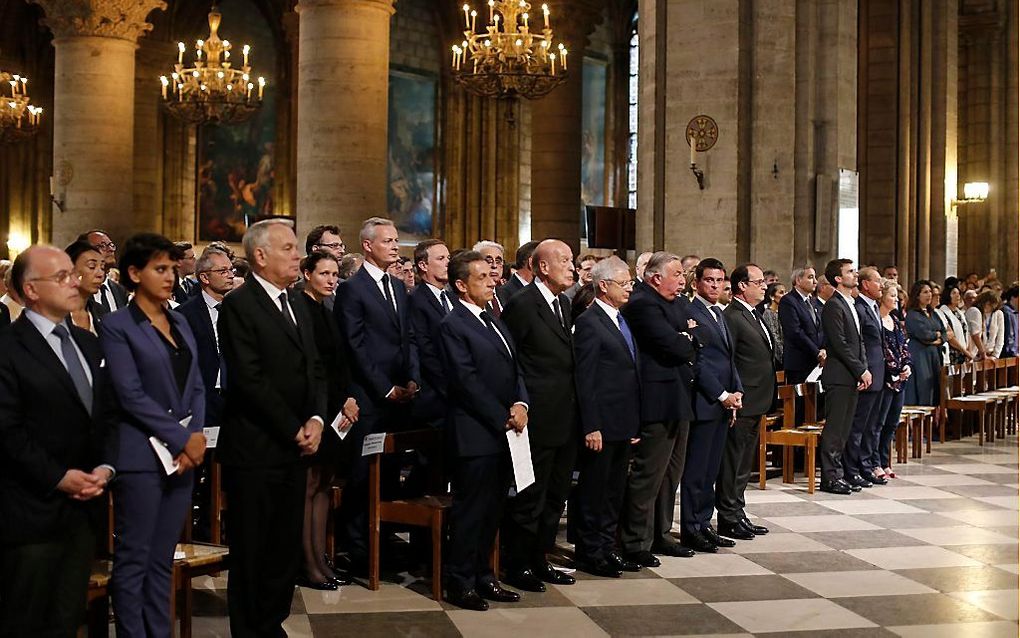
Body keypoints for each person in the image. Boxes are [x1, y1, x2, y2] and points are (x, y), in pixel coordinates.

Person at [0, 245, 117, 637]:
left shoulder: (87, 343)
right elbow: (7, 431)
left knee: (67, 621)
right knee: (26, 622)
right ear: (31, 290)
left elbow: (106, 417)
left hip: (84, 512)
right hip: (30, 510)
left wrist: (106, 466)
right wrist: (58, 477)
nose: (75, 282)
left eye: (73, 273)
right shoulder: (8, 348)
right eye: (62, 276)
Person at [217, 219, 326, 637]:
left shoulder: (298, 301)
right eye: (289, 248)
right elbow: (250, 378)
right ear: (260, 256)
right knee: (254, 546)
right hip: (258, 445)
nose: (298, 255)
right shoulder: (240, 305)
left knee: (283, 545)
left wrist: (316, 419)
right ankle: (249, 628)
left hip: (298, 445)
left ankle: (272, 621)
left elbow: (314, 367)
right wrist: (293, 427)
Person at [99, 233, 207, 638]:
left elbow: (196, 383)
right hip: (141, 455)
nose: (170, 276)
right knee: (134, 560)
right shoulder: (117, 325)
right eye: (160, 269)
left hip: (183, 456)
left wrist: (194, 435)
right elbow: (130, 393)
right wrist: (181, 439)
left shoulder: (179, 319)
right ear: (134, 273)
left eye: (173, 268)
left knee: (163, 560)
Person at [439, 250, 528, 611]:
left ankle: (484, 576)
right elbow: (466, 382)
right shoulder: (453, 325)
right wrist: (502, 416)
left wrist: (521, 404)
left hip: (504, 430)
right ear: (461, 285)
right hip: (475, 432)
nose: (493, 280)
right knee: (471, 511)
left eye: (492, 275)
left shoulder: (494, 319)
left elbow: (515, 366)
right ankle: (460, 581)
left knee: (493, 509)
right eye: (482, 277)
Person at [334, 217, 419, 571]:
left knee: (390, 472)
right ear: (368, 245)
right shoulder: (353, 289)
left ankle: (381, 542)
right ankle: (356, 549)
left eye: (396, 240)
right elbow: (354, 346)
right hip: (370, 397)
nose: (396, 246)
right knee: (361, 475)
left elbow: (407, 338)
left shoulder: (397, 287)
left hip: (400, 396)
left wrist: (412, 378)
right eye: (388, 241)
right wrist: (385, 388)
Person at [500, 239, 579, 592]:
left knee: (554, 495)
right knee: (530, 496)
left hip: (564, 416)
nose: (571, 266)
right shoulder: (522, 303)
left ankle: (539, 558)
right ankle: (517, 564)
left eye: (572, 259)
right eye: (564, 260)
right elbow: (512, 361)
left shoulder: (562, 303)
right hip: (536, 417)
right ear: (542, 267)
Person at [619, 252, 698, 565]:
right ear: (655, 278)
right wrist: (686, 337)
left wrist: (688, 337)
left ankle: (661, 534)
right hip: (657, 401)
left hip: (680, 398)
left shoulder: (676, 303)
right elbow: (675, 345)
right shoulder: (642, 304)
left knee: (670, 476)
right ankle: (636, 541)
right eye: (677, 274)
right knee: (648, 475)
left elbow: (696, 336)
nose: (682, 279)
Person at [572, 257, 642, 577]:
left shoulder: (621, 319)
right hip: (601, 424)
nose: (630, 288)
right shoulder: (589, 322)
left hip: (623, 421)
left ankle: (606, 547)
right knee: (595, 491)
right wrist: (592, 425)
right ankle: (590, 552)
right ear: (604, 286)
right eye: (624, 283)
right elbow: (585, 379)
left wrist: (634, 421)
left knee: (615, 491)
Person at [295, 251, 359, 590]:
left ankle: (321, 558)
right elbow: (309, 366)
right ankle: (307, 563)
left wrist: (349, 397)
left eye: (335, 274)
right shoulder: (300, 309)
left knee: (323, 485)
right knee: (308, 486)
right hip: (314, 410)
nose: (332, 280)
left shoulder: (327, 309)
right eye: (324, 273)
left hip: (336, 410)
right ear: (307, 274)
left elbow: (340, 360)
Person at [682, 258, 743, 551]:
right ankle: (691, 527)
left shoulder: (719, 314)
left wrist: (736, 392)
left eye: (720, 281)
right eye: (710, 280)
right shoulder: (690, 313)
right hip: (704, 402)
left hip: (722, 402)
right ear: (697, 283)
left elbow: (730, 359)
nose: (716, 286)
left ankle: (705, 524)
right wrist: (722, 395)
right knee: (697, 470)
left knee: (711, 471)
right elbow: (699, 362)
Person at [177, 246, 235, 542]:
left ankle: (219, 527)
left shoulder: (235, 308)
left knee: (226, 469)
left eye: (231, 270)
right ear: (204, 277)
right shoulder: (186, 313)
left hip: (231, 398)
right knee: (199, 467)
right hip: (202, 399)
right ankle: (193, 529)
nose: (230, 275)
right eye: (223, 271)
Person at [718, 264, 774, 540]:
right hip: (742, 400)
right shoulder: (732, 316)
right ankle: (728, 516)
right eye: (759, 281)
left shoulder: (754, 314)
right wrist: (733, 394)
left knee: (744, 463)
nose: (764, 286)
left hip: (758, 399)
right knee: (733, 461)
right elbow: (729, 361)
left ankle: (738, 511)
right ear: (742, 285)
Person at [818, 259, 870, 495]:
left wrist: (863, 368)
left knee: (845, 428)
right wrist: (860, 369)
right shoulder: (833, 305)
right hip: (839, 375)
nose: (855, 274)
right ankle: (830, 477)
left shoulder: (851, 303)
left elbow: (858, 341)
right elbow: (839, 344)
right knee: (835, 429)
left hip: (850, 374)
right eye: (850, 271)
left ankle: (839, 473)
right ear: (838, 279)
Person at [842, 267, 887, 489]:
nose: (882, 285)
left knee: (872, 426)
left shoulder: (873, 307)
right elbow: (857, 344)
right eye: (878, 281)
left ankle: (865, 465)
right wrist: (862, 371)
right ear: (866, 284)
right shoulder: (859, 308)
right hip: (866, 375)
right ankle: (852, 469)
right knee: (858, 426)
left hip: (878, 374)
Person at [864, 278, 911, 481]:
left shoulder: (896, 321)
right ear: (882, 296)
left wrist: (906, 365)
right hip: (884, 378)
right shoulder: (876, 320)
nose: (896, 300)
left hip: (899, 380)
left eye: (897, 298)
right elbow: (881, 350)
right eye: (892, 296)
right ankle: (874, 463)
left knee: (892, 423)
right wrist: (894, 369)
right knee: (877, 424)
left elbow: (903, 348)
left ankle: (885, 461)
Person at [408, 239, 452, 428]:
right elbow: (425, 350)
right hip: (437, 397)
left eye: (448, 257)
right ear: (423, 265)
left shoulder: (452, 297)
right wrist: (452, 389)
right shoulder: (415, 300)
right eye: (441, 258)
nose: (448, 263)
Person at [779, 266, 825, 383]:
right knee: (800, 401)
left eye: (815, 277)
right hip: (799, 363)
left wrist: (824, 349)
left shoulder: (813, 301)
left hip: (817, 363)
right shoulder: (788, 301)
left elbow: (820, 328)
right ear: (798, 280)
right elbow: (795, 332)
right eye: (810, 277)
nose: (815, 281)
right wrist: (816, 352)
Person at [903, 281, 944, 406]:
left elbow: (946, 332)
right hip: (920, 354)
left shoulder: (933, 313)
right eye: (925, 292)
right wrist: (936, 335)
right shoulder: (912, 314)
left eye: (930, 292)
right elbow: (924, 335)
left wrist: (939, 337)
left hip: (934, 355)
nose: (929, 295)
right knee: (923, 388)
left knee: (935, 389)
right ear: (917, 295)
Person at [79, 230, 129, 313]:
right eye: (102, 246)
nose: (110, 249)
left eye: (111, 245)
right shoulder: (79, 290)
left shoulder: (120, 291)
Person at [65, 240, 109, 334]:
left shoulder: (101, 312)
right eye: (92, 266)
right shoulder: (54, 313)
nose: (100, 274)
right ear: (71, 270)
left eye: (102, 267)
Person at [301, 224, 346, 312]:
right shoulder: (303, 288)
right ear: (316, 249)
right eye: (334, 246)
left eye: (341, 246)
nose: (341, 251)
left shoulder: (345, 286)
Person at [935, 286, 974, 364]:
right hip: (952, 353)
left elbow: (967, 331)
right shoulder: (942, 312)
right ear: (947, 295)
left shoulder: (960, 313)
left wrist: (969, 351)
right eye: (954, 293)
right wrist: (965, 352)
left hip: (964, 352)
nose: (957, 296)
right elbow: (950, 337)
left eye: (959, 293)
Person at [497, 240, 539, 306]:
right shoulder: (504, 294)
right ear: (531, 263)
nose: (546, 267)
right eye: (543, 262)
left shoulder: (539, 290)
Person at [474, 240, 506, 318]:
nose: (494, 265)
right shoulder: (472, 296)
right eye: (488, 261)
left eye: (498, 261)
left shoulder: (507, 294)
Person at [976, 290, 1005, 359]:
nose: (990, 307)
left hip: (991, 354)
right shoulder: (976, 312)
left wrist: (995, 355)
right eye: (988, 304)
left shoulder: (998, 314)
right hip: (977, 354)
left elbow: (1000, 337)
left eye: (993, 305)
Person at [762, 281, 785, 366]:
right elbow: (774, 336)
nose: (785, 295)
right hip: (778, 359)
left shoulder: (783, 311)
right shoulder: (768, 313)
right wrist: (783, 356)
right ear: (772, 296)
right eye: (781, 292)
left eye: (785, 292)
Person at [963, 289, 986, 359]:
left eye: (974, 298)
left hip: (975, 352)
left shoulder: (977, 311)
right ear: (964, 300)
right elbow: (975, 335)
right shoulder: (963, 312)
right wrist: (983, 353)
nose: (972, 300)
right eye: (969, 298)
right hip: (968, 351)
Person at [1002, 286, 1018, 357]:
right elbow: (1009, 334)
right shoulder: (1007, 311)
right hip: (1008, 355)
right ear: (1013, 297)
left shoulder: (1014, 312)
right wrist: (1013, 352)